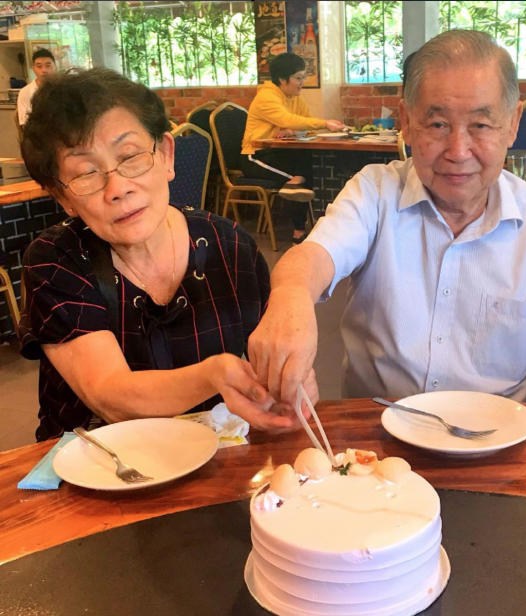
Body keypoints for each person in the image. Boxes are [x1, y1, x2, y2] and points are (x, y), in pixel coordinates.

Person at [248, 30, 526, 408]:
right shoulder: (375, 193)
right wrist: (290, 298)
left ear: (512, 124)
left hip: (499, 443)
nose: (458, 151)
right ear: (407, 122)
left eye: (480, 125)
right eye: (437, 125)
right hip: (377, 445)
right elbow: (312, 257)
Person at [17, 68, 317, 441]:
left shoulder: (230, 246)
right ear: (63, 197)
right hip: (98, 470)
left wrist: (290, 379)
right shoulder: (55, 259)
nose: (118, 188)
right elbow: (109, 394)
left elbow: (270, 358)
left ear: (167, 155)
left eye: (130, 156)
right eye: (86, 173)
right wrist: (213, 375)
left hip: (214, 460)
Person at [241, 52, 346, 243]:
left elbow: (301, 123)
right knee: (298, 179)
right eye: (298, 78)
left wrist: (293, 129)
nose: (302, 82)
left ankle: (303, 227)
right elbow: (289, 119)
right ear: (282, 79)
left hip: (277, 152)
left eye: (303, 77)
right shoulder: (266, 97)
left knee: (310, 164)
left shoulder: (294, 96)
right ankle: (299, 231)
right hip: (255, 156)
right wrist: (324, 123)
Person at [17, 48, 57, 126]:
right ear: (33, 69)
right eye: (39, 66)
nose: (44, 70)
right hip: (37, 134)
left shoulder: (63, 88)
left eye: (48, 65)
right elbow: (24, 123)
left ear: (55, 66)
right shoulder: (25, 92)